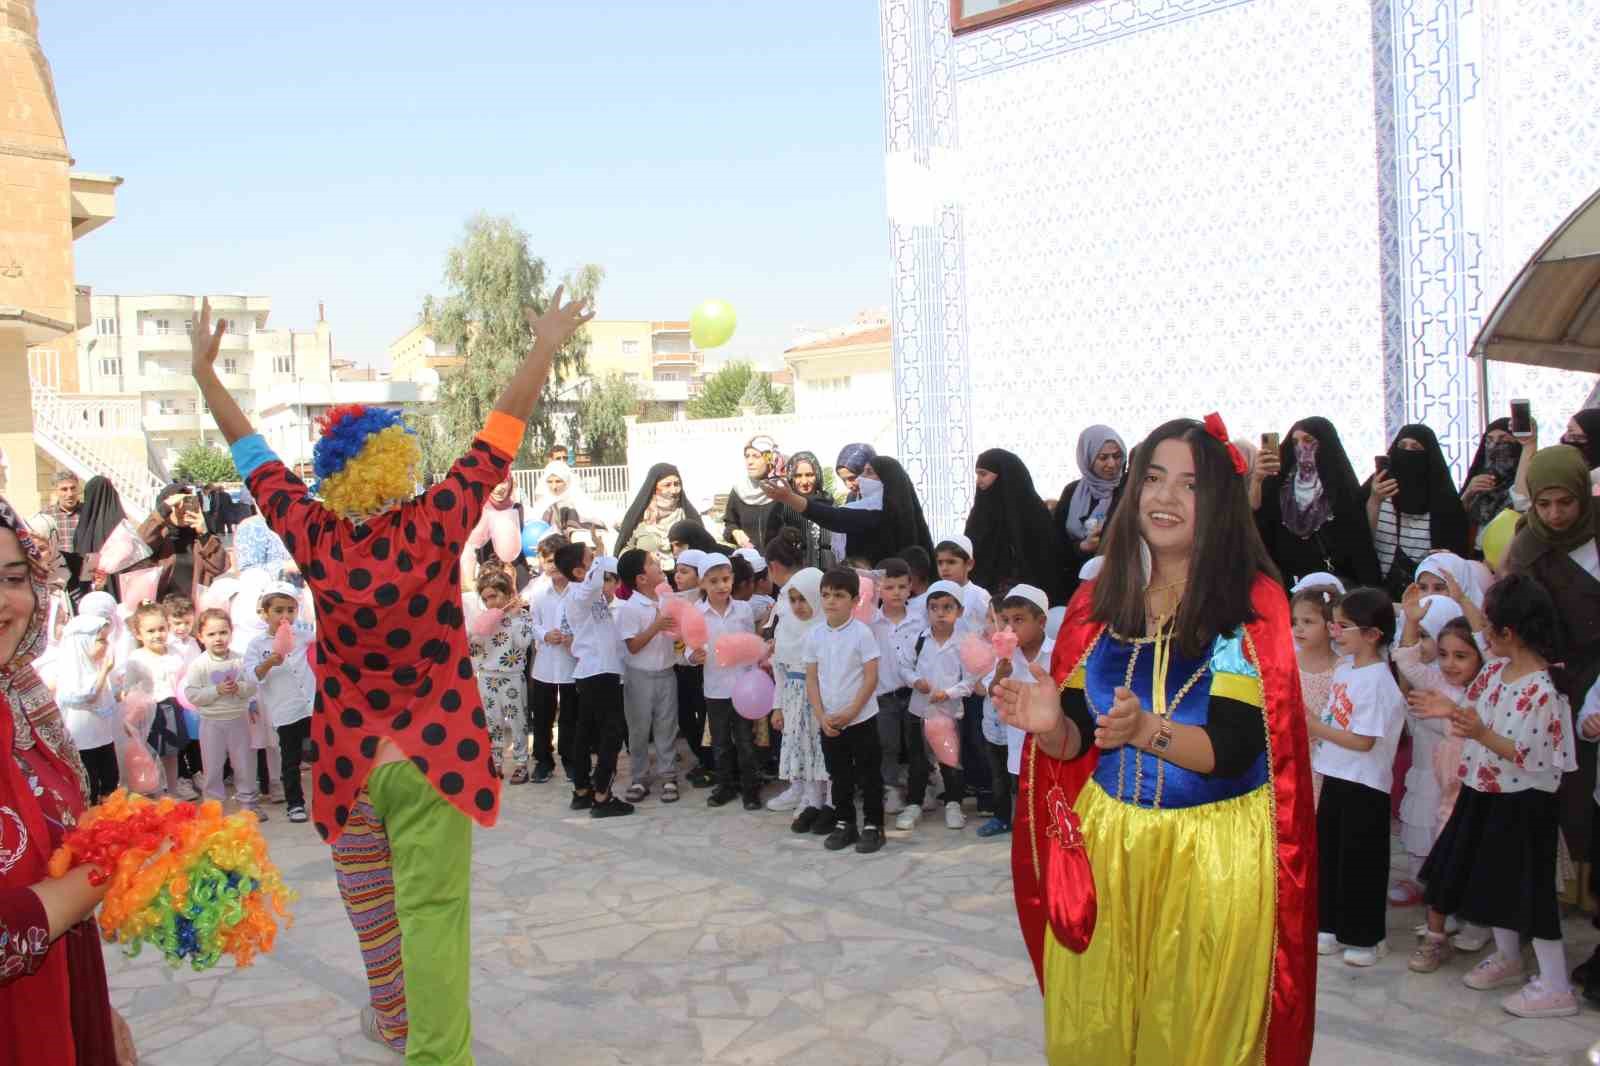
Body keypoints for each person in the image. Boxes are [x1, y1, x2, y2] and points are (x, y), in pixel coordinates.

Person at [203, 284, 594, 1059]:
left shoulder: (310, 531)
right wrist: (544, 345)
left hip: (346, 768)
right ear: (395, 464)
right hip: (434, 762)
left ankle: (392, 1017)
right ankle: (432, 1051)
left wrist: (207, 378)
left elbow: (254, 461)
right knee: (432, 914)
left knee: (374, 915)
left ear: (331, 472)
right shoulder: (436, 519)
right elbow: (498, 439)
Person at [995, 415, 1315, 1066]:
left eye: (1190, 485)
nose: (1166, 498)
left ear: (1221, 503)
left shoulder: (1248, 605)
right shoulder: (1100, 601)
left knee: (1191, 1033)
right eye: (1155, 479)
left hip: (1212, 855)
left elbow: (1234, 751)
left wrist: (1146, 731)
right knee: (1098, 1026)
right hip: (1109, 845)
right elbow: (1079, 740)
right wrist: (1051, 726)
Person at [0, 496, 135, 1066]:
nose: (4, 599)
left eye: (12, 577)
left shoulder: (24, 704)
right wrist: (113, 868)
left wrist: (95, 1011)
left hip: (59, 1007)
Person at [1412, 573, 1578, 1018]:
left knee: (1530, 889)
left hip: (1523, 801)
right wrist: (1451, 710)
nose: (1483, 634)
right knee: (1494, 878)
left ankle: (1555, 985)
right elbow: (1477, 713)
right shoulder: (1496, 672)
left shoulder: (1543, 689)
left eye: (1488, 627)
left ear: (1509, 632)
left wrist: (1481, 732)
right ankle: (1507, 958)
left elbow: (1531, 754)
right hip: (1484, 788)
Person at [1501, 443, 1600, 905]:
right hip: (1562, 682)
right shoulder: (1527, 549)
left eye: (1566, 502)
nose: (1556, 514)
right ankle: (1572, 891)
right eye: (1544, 503)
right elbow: (1515, 620)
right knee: (1572, 783)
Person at [1306, 587, 1406, 967]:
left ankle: (1366, 935)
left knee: (1361, 861)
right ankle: (1328, 924)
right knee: (1330, 854)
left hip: (1365, 783)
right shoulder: (1347, 669)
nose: (1335, 632)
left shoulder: (1379, 681)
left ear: (1372, 634)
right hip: (1334, 773)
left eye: (1344, 626)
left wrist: (1315, 725)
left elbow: (1363, 741)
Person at [1396, 587, 1488, 971]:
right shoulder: (1436, 679)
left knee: (1476, 852)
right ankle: (1444, 916)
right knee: (1443, 845)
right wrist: (1413, 623)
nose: (1449, 664)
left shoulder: (1486, 691)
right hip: (1446, 783)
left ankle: (1479, 920)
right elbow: (1407, 662)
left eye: (1461, 656)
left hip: (1478, 785)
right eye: (1445, 654)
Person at [804, 567, 884, 853]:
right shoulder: (814, 636)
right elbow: (811, 678)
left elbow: (871, 677)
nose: (830, 601)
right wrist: (821, 715)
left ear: (854, 600)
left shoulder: (862, 634)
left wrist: (851, 713)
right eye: (826, 595)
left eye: (838, 595)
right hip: (829, 721)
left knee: (868, 773)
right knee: (839, 774)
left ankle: (874, 825)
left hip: (860, 719)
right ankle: (845, 822)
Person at [1253, 416, 1381, 590]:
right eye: (1295, 441)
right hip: (1288, 584)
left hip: (1332, 585)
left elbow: (1358, 542)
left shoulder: (1339, 485)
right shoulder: (1280, 485)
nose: (1301, 447)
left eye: (1308, 440)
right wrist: (1258, 480)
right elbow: (1257, 519)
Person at [558, 545, 633, 819]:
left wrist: (598, 557)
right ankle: (602, 795)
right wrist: (600, 554)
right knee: (610, 733)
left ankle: (582, 791)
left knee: (586, 732)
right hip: (598, 672)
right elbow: (594, 581)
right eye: (589, 561)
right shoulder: (579, 592)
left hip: (597, 671)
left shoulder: (584, 593)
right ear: (579, 571)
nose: (596, 564)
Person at [759, 456, 933, 567]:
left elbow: (834, 518)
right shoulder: (863, 506)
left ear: (886, 480)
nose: (861, 479)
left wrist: (789, 497)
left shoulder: (878, 513)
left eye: (868, 473)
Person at [978, 584, 1053, 838]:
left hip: (1052, 739)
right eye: (1006, 620)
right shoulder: (1004, 657)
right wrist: (1001, 672)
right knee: (1023, 791)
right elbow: (992, 692)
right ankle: (1025, 833)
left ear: (1041, 621)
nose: (1010, 627)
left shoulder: (1058, 652)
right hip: (1018, 740)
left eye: (1019, 620)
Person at [901, 579, 976, 834]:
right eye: (934, 608)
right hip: (919, 711)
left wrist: (949, 693)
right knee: (918, 760)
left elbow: (970, 680)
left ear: (960, 611)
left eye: (947, 607)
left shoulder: (965, 644)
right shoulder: (918, 640)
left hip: (950, 713)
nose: (940, 613)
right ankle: (914, 803)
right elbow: (904, 667)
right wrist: (915, 681)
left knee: (951, 761)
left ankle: (954, 803)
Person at [1365, 424, 1470, 599]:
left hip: (1424, 596)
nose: (1407, 452)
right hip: (1377, 594)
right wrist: (1374, 501)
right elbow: (1362, 541)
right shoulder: (1378, 490)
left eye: (1415, 448)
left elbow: (1454, 555)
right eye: (1402, 446)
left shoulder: (1444, 502)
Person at [693, 553, 760, 810]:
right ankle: (725, 786)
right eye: (714, 581)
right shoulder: (697, 614)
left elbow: (751, 643)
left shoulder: (743, 609)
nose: (721, 586)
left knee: (745, 741)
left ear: (732, 579)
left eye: (725, 579)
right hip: (715, 688)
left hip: (743, 686)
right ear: (703, 584)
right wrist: (693, 655)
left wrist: (755, 674)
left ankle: (750, 789)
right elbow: (689, 648)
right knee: (720, 742)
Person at [182, 607, 262, 820]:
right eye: (211, 634)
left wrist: (240, 689)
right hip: (211, 722)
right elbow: (192, 694)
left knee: (244, 763)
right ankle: (213, 807)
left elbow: (252, 686)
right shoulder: (199, 665)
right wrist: (215, 691)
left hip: (238, 719)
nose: (218, 638)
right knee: (213, 766)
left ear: (230, 632)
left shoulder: (239, 660)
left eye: (223, 632)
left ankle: (248, 803)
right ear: (200, 636)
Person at [616, 548, 680, 803]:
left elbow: (677, 637)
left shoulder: (666, 601)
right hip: (639, 676)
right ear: (641, 578)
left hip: (667, 673)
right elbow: (632, 646)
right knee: (639, 729)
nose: (658, 565)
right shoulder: (631, 608)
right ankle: (640, 777)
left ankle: (668, 775)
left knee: (667, 726)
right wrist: (656, 626)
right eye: (652, 563)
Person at [248, 582, 315, 824]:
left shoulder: (305, 637)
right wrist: (268, 664)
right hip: (286, 712)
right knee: (291, 760)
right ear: (265, 613)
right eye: (278, 610)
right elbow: (250, 676)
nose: (285, 616)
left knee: (322, 755)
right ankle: (295, 804)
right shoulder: (258, 645)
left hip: (312, 706)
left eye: (290, 610)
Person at [770, 567, 830, 830]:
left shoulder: (826, 628)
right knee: (800, 746)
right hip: (793, 698)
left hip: (819, 697)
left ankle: (828, 801)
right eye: (793, 600)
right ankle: (808, 797)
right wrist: (777, 707)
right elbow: (779, 673)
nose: (798, 606)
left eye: (804, 599)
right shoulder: (785, 628)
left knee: (820, 748)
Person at [965, 448, 1062, 604]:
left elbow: (1045, 563)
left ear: (1003, 475)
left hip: (1029, 602)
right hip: (986, 602)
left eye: (983, 474)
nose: (978, 480)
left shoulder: (1034, 513)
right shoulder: (980, 515)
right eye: (977, 474)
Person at [467, 568, 536, 784]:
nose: (490, 603)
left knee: (517, 720)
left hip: (511, 676)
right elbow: (474, 651)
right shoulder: (481, 619)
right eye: (486, 598)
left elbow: (524, 643)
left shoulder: (522, 616)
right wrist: (475, 639)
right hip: (487, 676)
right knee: (491, 721)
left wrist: (514, 617)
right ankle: (495, 761)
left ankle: (521, 763)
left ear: (506, 593)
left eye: (494, 596)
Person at [121, 601, 193, 800]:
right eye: (150, 630)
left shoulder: (175, 653)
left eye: (161, 629)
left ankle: (172, 790)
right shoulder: (136, 658)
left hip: (172, 705)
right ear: (138, 634)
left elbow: (183, 679)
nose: (157, 635)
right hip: (148, 711)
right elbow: (128, 689)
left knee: (171, 752)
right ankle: (154, 791)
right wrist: (130, 717)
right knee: (150, 752)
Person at [869, 558, 922, 819]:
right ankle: (890, 787)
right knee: (887, 743)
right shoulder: (871, 623)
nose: (897, 592)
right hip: (884, 694)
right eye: (889, 587)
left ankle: (923, 786)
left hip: (914, 693)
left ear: (911, 586)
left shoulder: (920, 620)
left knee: (917, 743)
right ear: (879, 588)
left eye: (902, 586)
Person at [529, 533, 580, 788]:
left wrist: (573, 637)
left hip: (572, 662)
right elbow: (533, 623)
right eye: (548, 561)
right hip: (546, 664)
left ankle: (570, 758)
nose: (553, 567)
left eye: (557, 560)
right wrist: (545, 634)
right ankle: (543, 760)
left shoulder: (578, 590)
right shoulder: (538, 592)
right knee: (543, 715)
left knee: (570, 714)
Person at [1054, 427, 1126, 603]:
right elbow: (1056, 542)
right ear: (1087, 457)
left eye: (1117, 456)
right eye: (1103, 457)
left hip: (1119, 585)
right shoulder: (1072, 492)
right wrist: (1082, 547)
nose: (1112, 464)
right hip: (1076, 584)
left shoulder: (1128, 490)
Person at [54, 616, 120, 805]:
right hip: (83, 741)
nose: (106, 645)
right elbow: (85, 694)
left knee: (110, 778)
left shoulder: (96, 668)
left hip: (103, 736)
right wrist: (104, 673)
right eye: (101, 640)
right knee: (89, 783)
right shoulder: (71, 670)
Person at [1290, 583, 1338, 808]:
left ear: (1331, 626)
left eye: (1308, 622)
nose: (1298, 629)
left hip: (1322, 758)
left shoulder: (1342, 670)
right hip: (1288, 753)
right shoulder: (1286, 662)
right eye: (1295, 622)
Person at [137, 483, 227, 603]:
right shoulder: (158, 537)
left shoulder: (199, 539)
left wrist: (204, 534)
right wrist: (164, 508)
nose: (185, 508)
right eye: (179, 504)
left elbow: (218, 567)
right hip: (162, 612)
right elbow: (138, 545)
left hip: (191, 613)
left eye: (189, 502)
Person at [615, 463, 702, 570]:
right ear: (654, 487)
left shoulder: (688, 518)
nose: (674, 490)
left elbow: (703, 551)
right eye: (667, 485)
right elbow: (625, 549)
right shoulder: (640, 518)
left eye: (677, 484)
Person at [1460, 418, 1521, 552]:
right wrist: (1468, 494)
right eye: (1490, 440)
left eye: (1503, 439)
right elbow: (1456, 521)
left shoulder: (1524, 483)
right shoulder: (1480, 480)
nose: (1494, 445)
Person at [723, 436, 786, 550]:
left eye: (756, 456)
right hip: (748, 563)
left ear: (770, 459)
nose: (750, 462)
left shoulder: (783, 490)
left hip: (781, 563)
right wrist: (735, 532)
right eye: (747, 456)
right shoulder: (739, 491)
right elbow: (729, 524)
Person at [776, 451, 834, 570]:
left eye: (809, 475)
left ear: (817, 475)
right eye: (798, 476)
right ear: (791, 477)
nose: (804, 481)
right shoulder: (784, 506)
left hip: (828, 573)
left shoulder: (829, 503)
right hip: (795, 572)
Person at [539, 460, 606, 549]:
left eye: (558, 481)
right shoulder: (541, 505)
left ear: (567, 482)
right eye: (550, 482)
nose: (554, 487)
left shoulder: (577, 502)